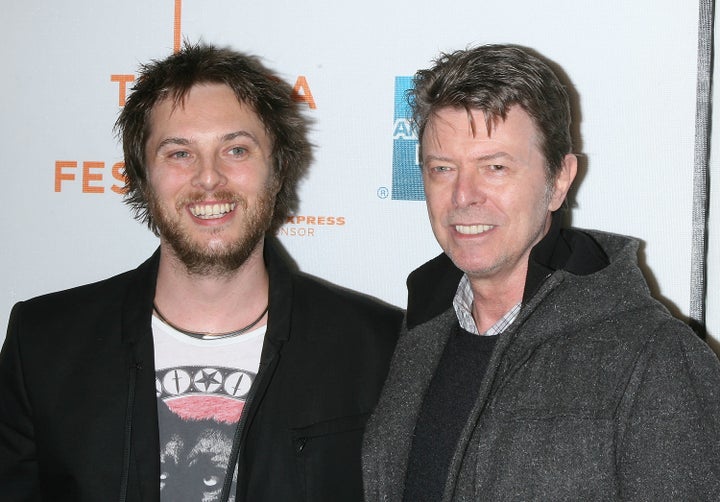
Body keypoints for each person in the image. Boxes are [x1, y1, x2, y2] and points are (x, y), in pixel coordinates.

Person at [0, 43, 402, 502]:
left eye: (235, 149)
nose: (209, 178)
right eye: (179, 154)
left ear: (278, 169)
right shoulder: (44, 344)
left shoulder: (378, 348)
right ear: (141, 176)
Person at [362, 44, 720, 501]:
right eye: (442, 169)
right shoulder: (417, 336)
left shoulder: (653, 356)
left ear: (559, 180)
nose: (463, 195)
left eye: (495, 167)